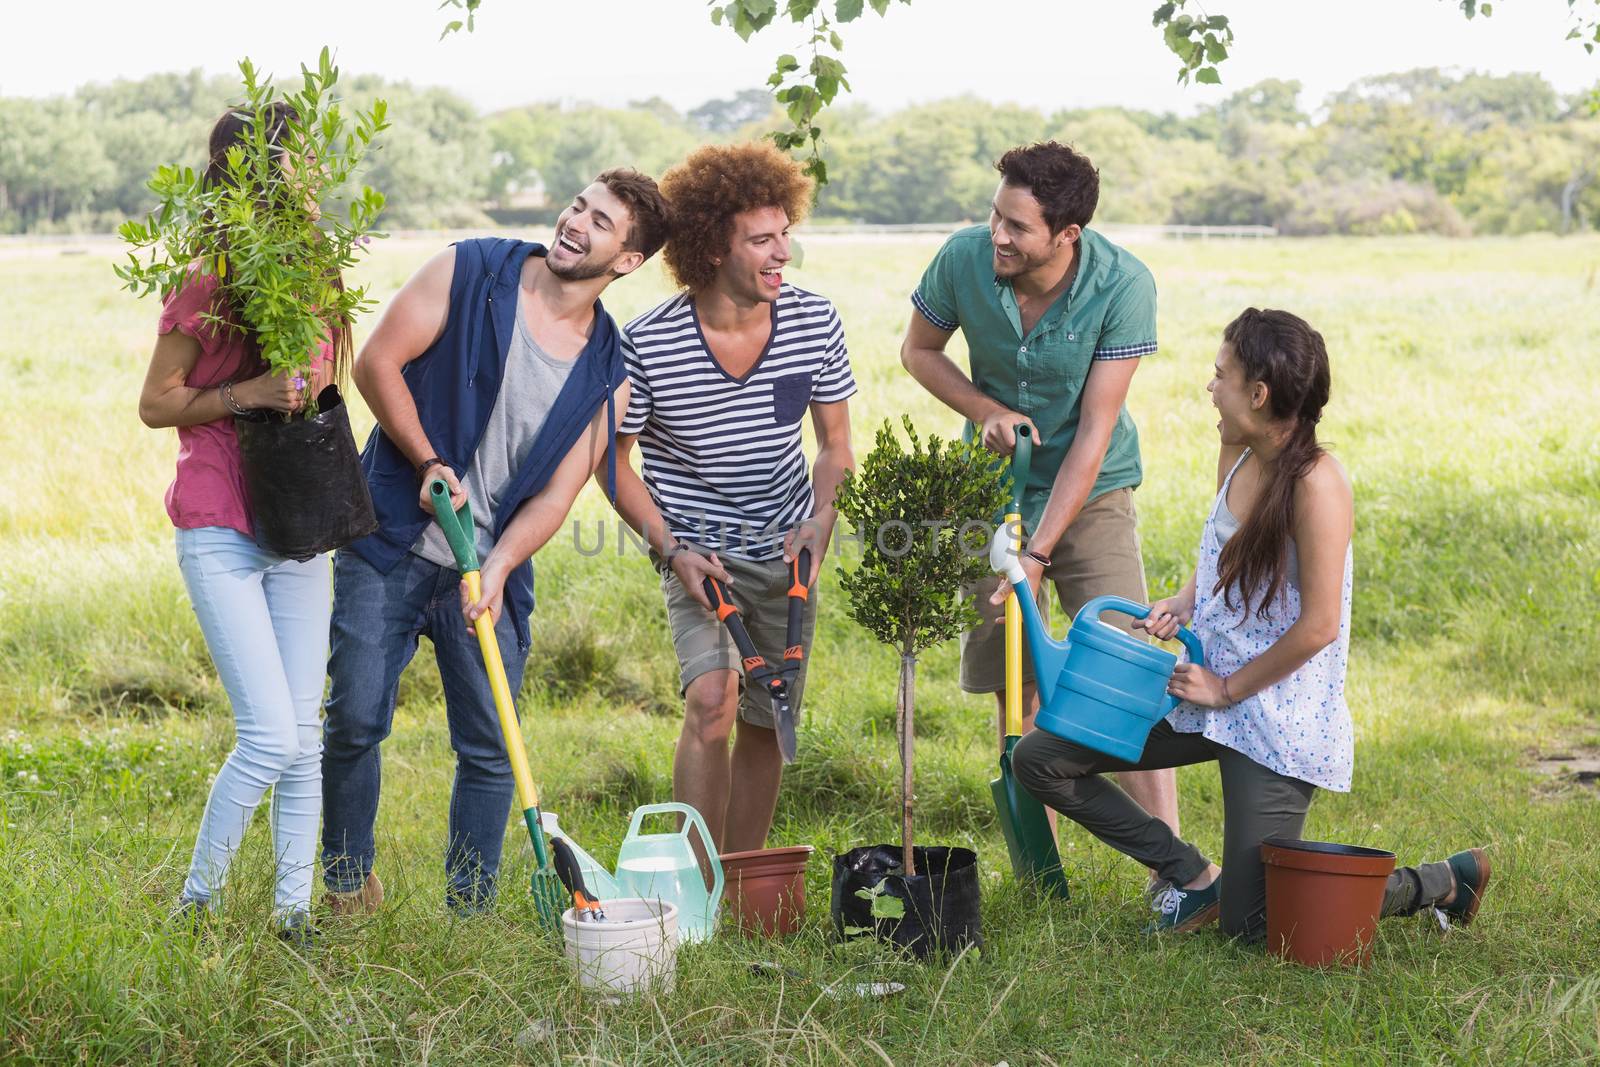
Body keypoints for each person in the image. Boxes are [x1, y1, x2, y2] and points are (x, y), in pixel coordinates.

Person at [1013, 308, 1491, 938]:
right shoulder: (1238, 448)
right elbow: (1221, 551)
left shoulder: (1318, 484)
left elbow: (1319, 626)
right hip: (1202, 690)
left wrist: (1228, 689)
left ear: (1259, 395)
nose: (1210, 386)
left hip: (1272, 710)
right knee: (1041, 758)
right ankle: (1192, 875)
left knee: (1258, 926)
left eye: (1221, 375)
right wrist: (1187, 599)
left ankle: (1440, 883)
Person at [319, 169, 671, 915]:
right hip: (391, 538)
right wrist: (427, 460)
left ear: (628, 260)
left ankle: (468, 909)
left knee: (489, 749)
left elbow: (556, 494)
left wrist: (504, 564)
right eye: (579, 205)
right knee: (353, 717)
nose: (576, 222)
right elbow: (375, 363)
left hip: (487, 570)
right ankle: (348, 881)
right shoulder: (470, 268)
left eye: (601, 223)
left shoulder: (611, 373)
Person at [899, 140, 1180, 878]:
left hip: (1092, 491)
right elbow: (918, 352)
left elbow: (1094, 429)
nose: (998, 235)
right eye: (996, 216)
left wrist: (1039, 552)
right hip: (992, 490)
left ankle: (1171, 870)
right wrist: (984, 407)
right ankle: (1041, 864)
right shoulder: (963, 259)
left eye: (1017, 227)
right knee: (1015, 676)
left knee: (1122, 669)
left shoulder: (1123, 284)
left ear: (1066, 236)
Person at [608, 142, 856, 853]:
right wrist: (675, 548)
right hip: (698, 555)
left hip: (787, 552)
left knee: (767, 714)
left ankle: (743, 877)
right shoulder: (648, 344)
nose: (784, 253)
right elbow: (614, 465)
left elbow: (835, 444)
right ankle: (696, 882)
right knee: (712, 701)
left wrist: (820, 518)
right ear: (713, 246)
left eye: (786, 234)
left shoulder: (813, 322)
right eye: (762, 240)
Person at [139, 103, 336, 943]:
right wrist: (250, 393)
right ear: (260, 173)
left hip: (297, 521)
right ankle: (197, 902)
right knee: (267, 735)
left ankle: (294, 915)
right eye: (298, 161)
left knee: (306, 734)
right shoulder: (207, 278)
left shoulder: (315, 276)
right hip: (221, 521)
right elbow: (155, 404)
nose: (312, 174)